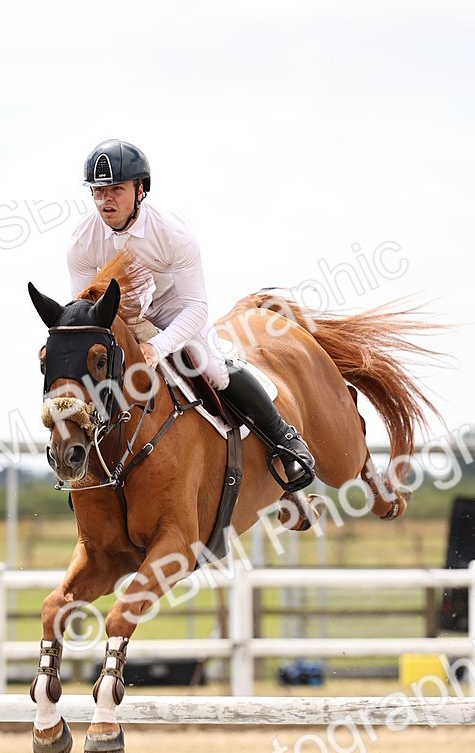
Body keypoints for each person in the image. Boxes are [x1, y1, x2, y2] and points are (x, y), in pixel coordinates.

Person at [67, 138, 314, 492]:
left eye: (116, 190)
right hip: (120, 317)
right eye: (98, 191)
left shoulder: (173, 234)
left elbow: (197, 307)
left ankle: (284, 438)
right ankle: (86, 465)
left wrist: (158, 347)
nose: (105, 200)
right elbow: (86, 312)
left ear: (140, 190)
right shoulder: (81, 241)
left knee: (210, 367)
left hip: (174, 308)